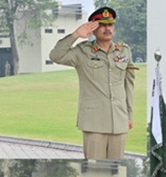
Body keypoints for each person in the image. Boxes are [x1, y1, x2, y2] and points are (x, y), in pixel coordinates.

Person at [48, 7, 135, 160]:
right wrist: (75, 35)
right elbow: (56, 56)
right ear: (93, 29)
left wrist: (129, 114)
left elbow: (129, 84)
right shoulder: (83, 52)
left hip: (119, 120)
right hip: (94, 123)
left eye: (110, 25)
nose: (107, 29)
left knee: (116, 170)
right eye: (102, 25)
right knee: (95, 170)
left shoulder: (124, 51)